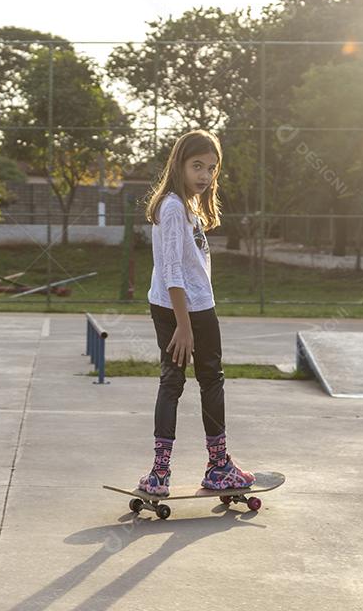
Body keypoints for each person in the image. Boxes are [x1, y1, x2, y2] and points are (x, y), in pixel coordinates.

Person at [138, 130, 255, 497]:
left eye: (211, 168)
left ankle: (170, 472)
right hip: (187, 311)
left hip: (183, 306)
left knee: (180, 381)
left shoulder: (185, 205)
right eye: (197, 166)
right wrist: (184, 325)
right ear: (180, 164)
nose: (205, 175)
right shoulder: (174, 207)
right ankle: (211, 467)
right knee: (196, 381)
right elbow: (172, 270)